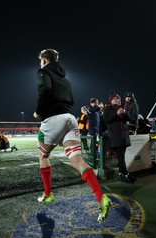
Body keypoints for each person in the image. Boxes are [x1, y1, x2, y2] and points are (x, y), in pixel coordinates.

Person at [33, 48, 112, 222]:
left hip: (53, 120)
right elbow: (71, 100)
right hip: (70, 118)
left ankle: (48, 194)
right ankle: (101, 197)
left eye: (41, 62)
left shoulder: (42, 72)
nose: (40, 65)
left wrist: (39, 111)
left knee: (43, 156)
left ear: (44, 61)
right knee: (77, 161)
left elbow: (44, 89)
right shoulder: (65, 80)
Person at [103, 92, 136, 183]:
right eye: (115, 99)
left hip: (123, 137)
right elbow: (106, 120)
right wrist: (117, 114)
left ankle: (122, 174)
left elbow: (129, 118)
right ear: (111, 100)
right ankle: (124, 174)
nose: (117, 100)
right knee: (121, 157)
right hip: (115, 137)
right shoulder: (107, 108)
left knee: (122, 157)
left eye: (118, 99)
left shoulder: (122, 107)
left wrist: (125, 113)